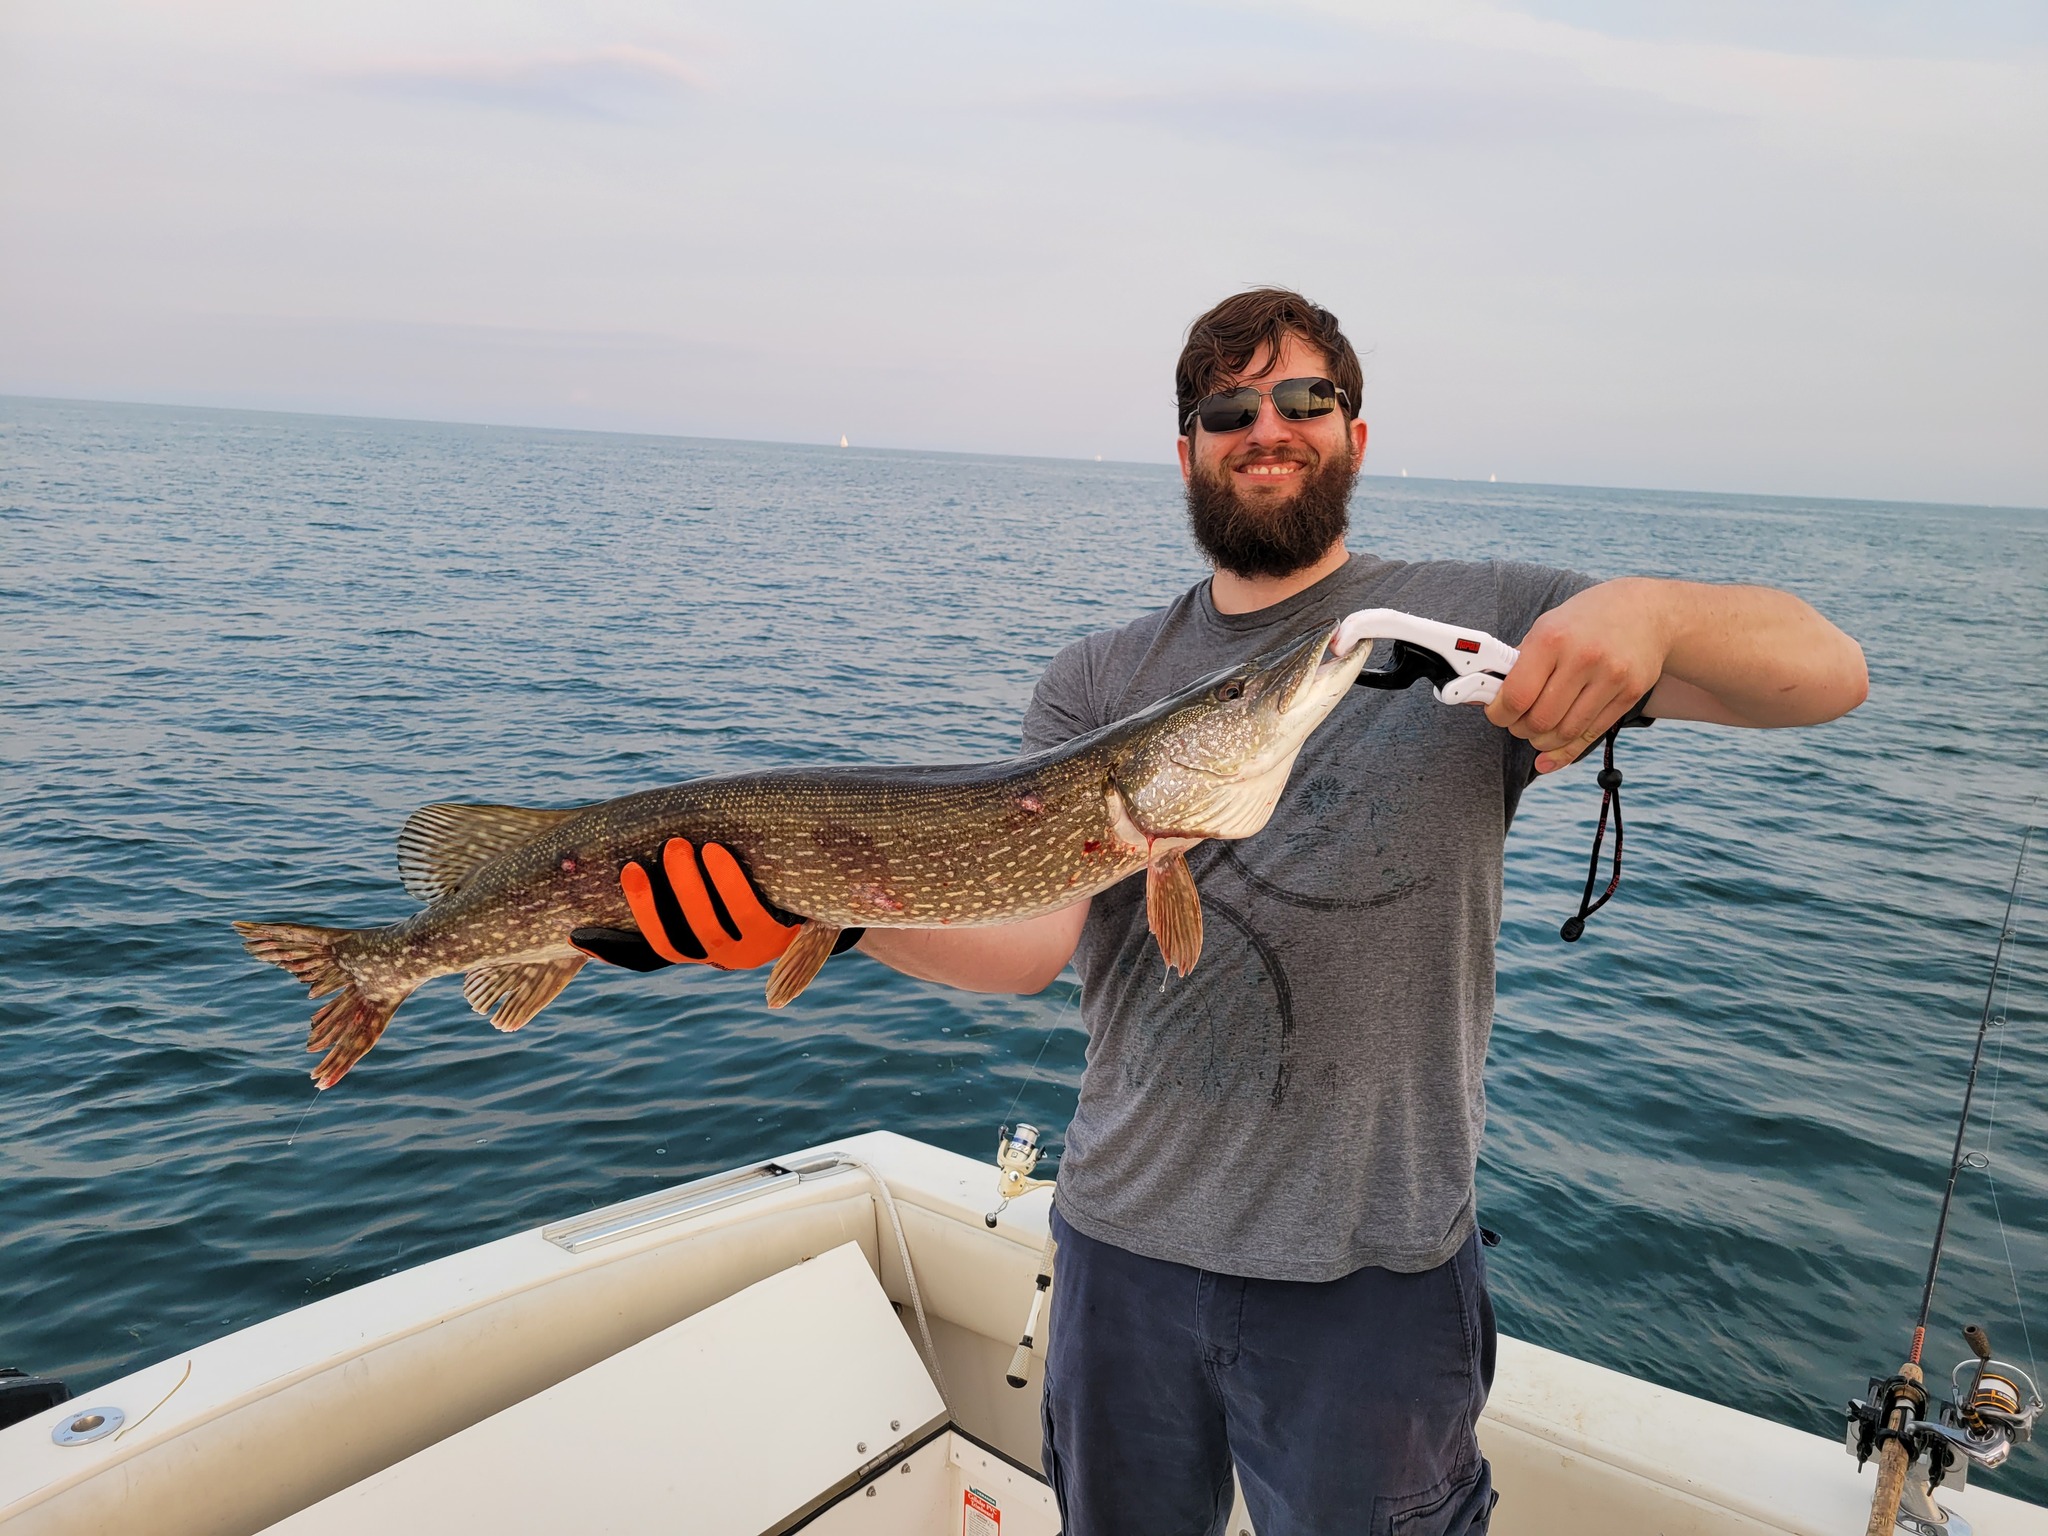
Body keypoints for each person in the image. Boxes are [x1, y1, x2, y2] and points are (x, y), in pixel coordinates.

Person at [574, 289, 1869, 1535]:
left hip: (1374, 1277)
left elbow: (1827, 674)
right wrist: (834, 919)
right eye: (1228, 409)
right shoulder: (1098, 678)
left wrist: (1650, 612)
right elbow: (1029, 947)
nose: (1267, 428)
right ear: (1187, 449)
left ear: (1355, 434)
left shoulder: (1483, 619)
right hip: (1121, 1254)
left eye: (1304, 399)